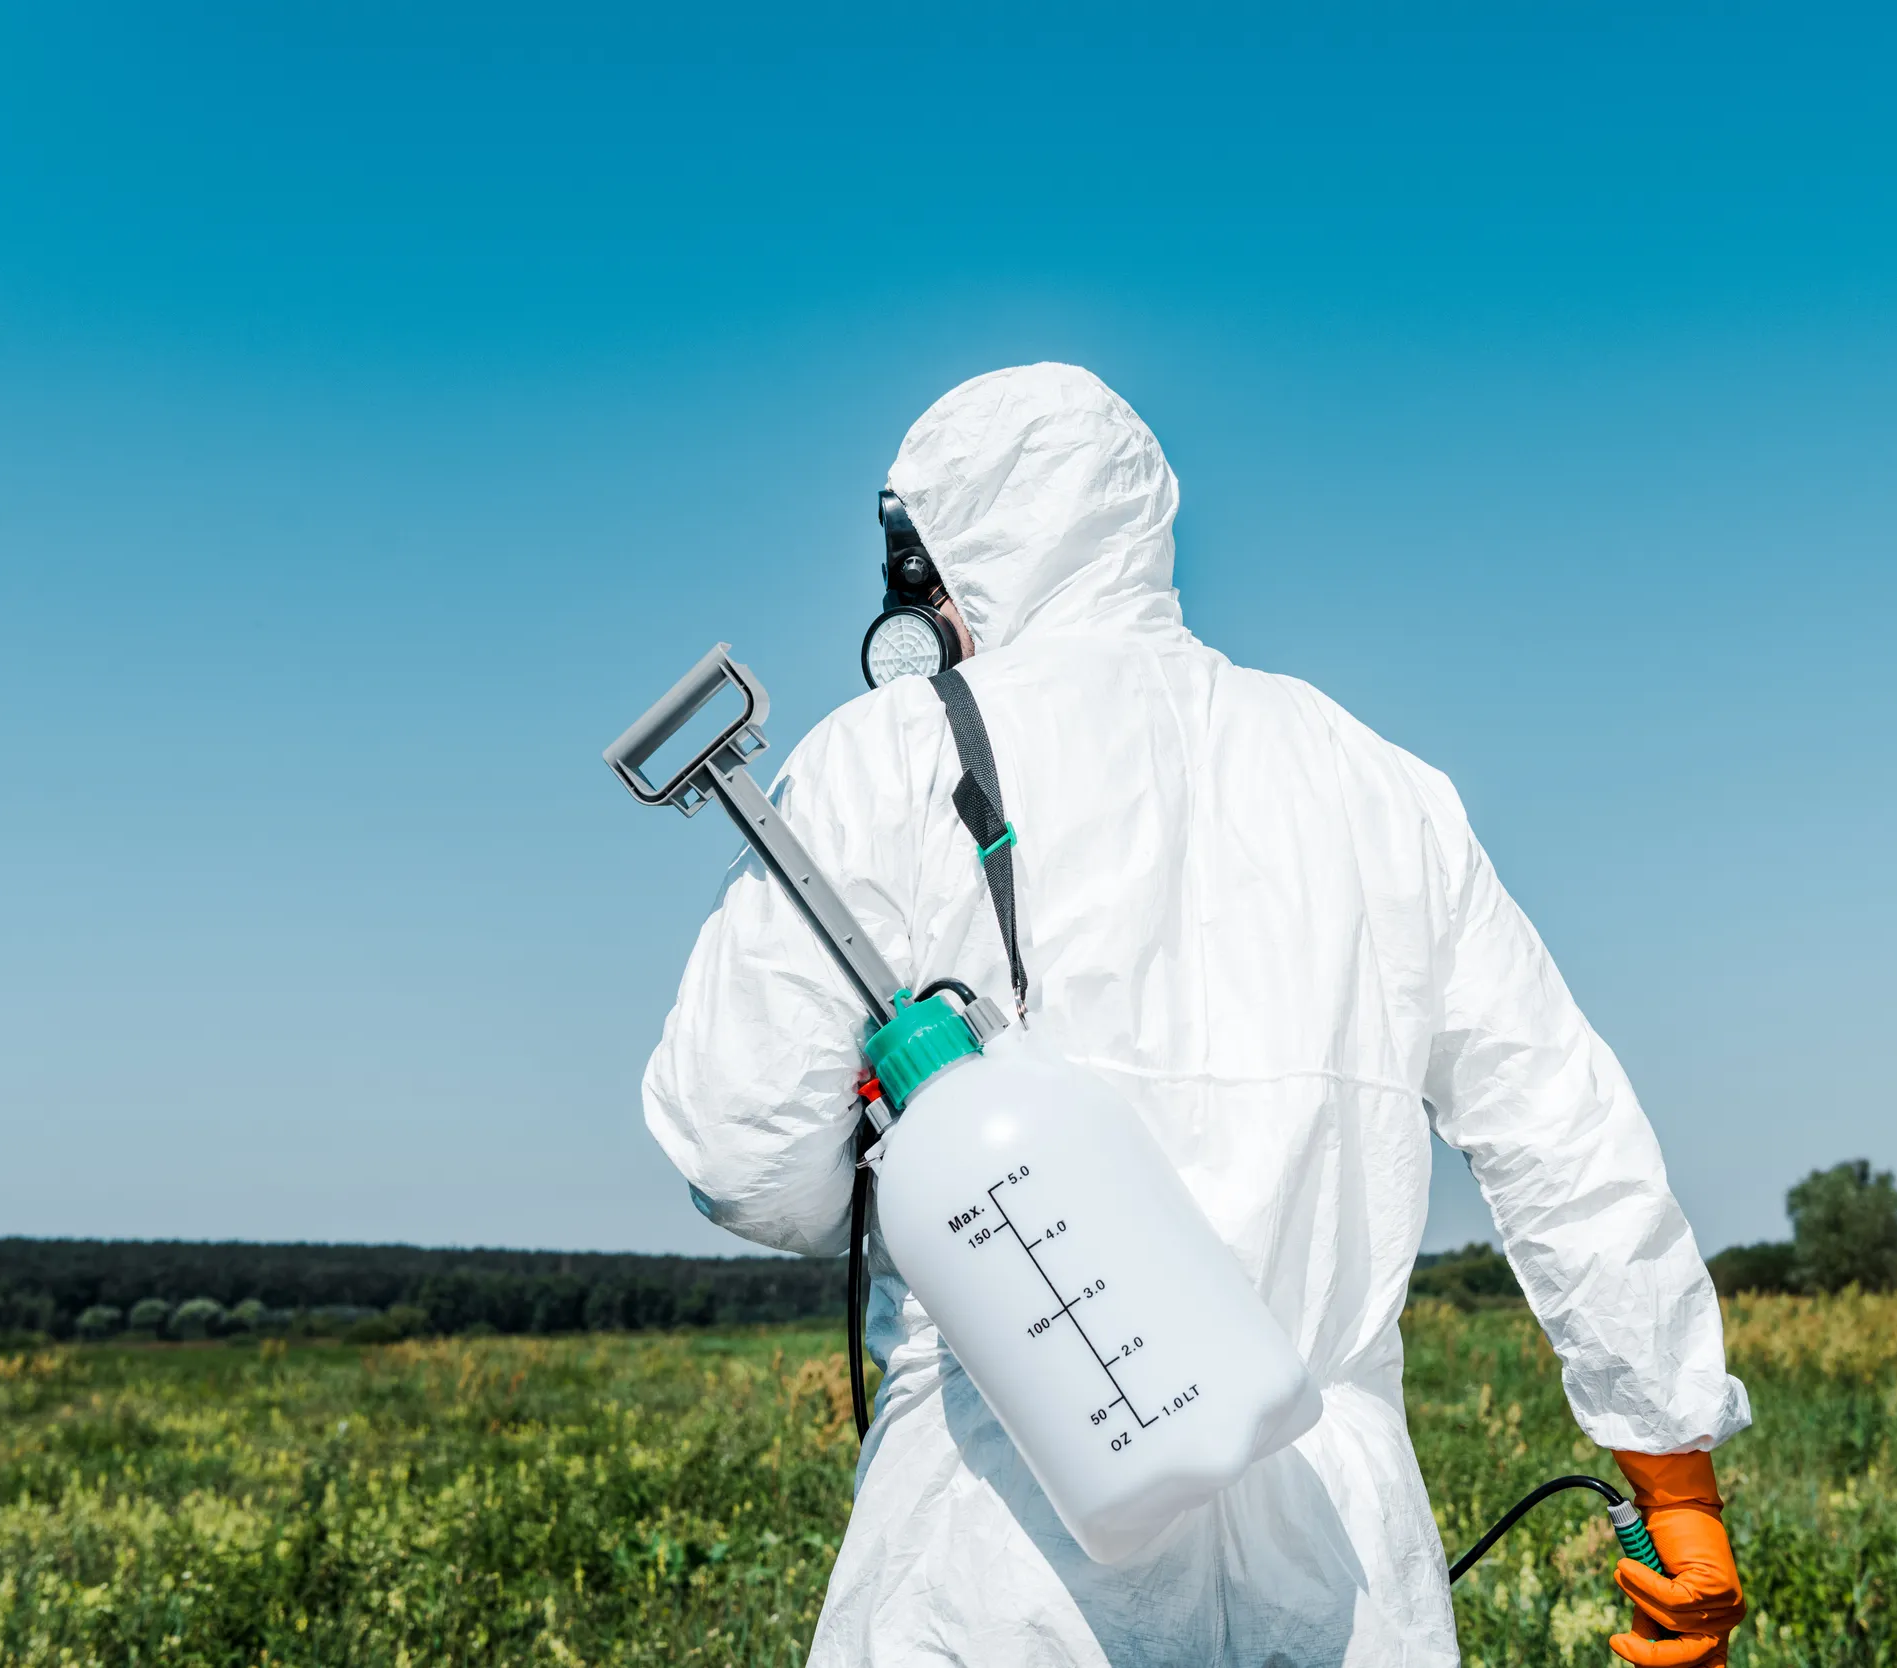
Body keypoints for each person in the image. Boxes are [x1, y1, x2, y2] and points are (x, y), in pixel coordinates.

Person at [644, 363, 1751, 1667]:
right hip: (1339, 1570)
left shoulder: (884, 754)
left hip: (1008, 1548)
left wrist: (895, 1143)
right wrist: (1671, 1475)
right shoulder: (1381, 782)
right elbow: (1568, 1143)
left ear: (937, 561)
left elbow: (750, 1169)